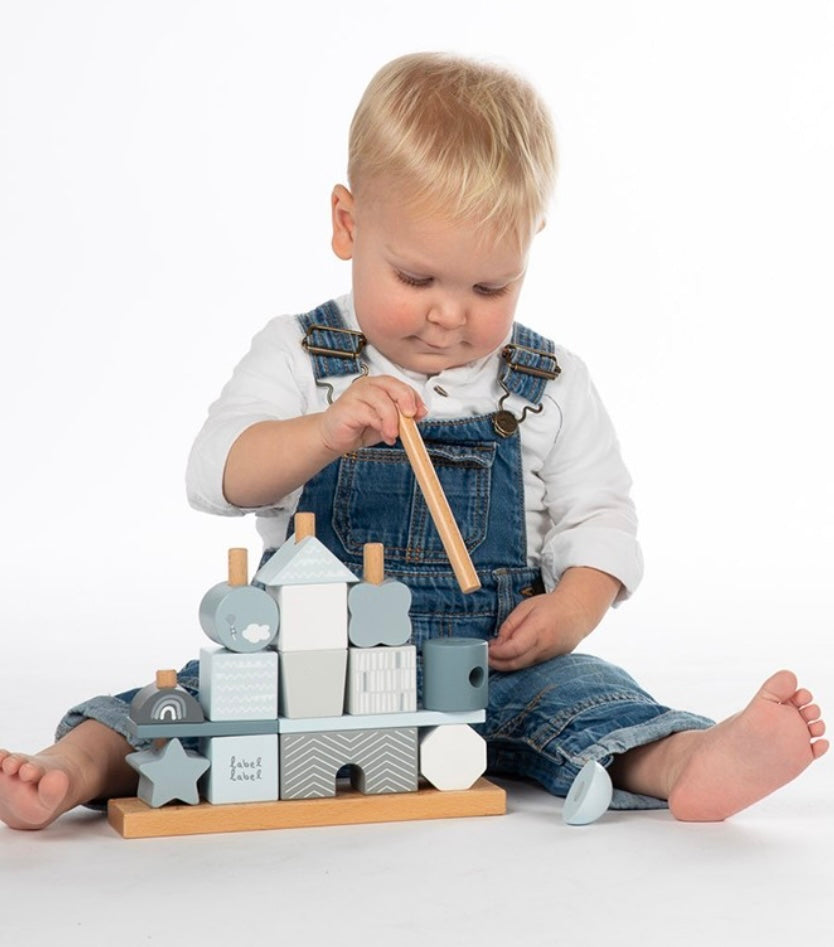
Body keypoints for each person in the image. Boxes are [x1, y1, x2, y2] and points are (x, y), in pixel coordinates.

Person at [1, 52, 826, 832]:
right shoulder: (303, 357)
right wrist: (323, 431)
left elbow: (602, 515)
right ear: (347, 222)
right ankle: (78, 763)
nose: (449, 314)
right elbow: (217, 474)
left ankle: (687, 760)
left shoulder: (547, 382)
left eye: (489, 286)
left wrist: (572, 609)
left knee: (591, 698)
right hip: (316, 675)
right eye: (417, 278)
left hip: (496, 670)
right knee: (192, 703)